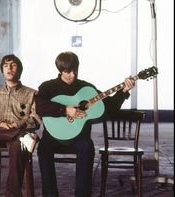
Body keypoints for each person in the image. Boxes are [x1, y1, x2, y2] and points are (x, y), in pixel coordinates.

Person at [35, 51, 135, 197]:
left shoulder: (87, 89)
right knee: (43, 148)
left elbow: (110, 109)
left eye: (75, 70)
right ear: (60, 70)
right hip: (53, 137)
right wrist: (65, 110)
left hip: (79, 138)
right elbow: (39, 106)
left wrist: (123, 91)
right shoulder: (48, 87)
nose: (73, 75)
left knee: (87, 147)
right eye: (68, 71)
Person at [0, 54, 41, 197]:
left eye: (13, 65)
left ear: (19, 70)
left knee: (17, 145)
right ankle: (20, 136)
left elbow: (36, 119)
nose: (9, 68)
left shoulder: (31, 94)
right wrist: (1, 124)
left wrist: (18, 124)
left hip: (18, 137)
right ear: (2, 70)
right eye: (5, 65)